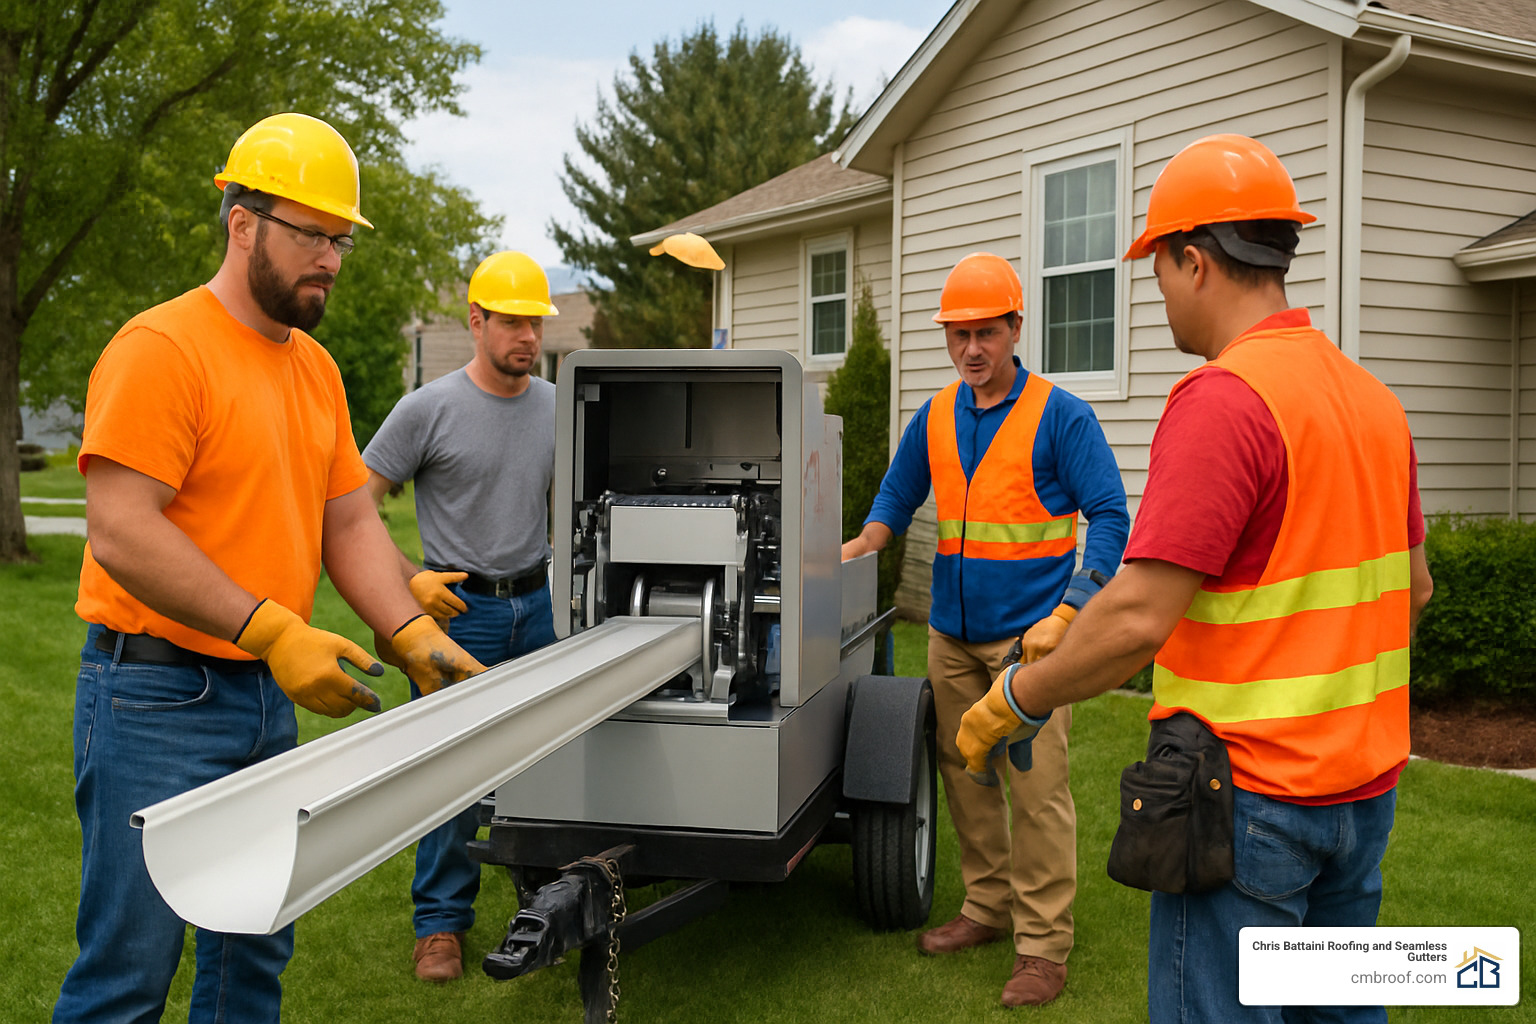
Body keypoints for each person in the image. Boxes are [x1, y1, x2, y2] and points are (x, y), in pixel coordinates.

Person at [957, 134, 1434, 1023]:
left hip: (1245, 805)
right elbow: (1411, 593)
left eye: (1161, 270)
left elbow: (1140, 614)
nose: (1161, 293)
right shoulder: (1374, 401)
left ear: (1194, 260)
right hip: (1362, 799)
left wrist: (1018, 696)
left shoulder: (1223, 400)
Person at [54, 112, 485, 1024]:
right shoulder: (162, 350)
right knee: (129, 974)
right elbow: (122, 530)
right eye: (311, 235)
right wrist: (273, 626)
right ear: (242, 222)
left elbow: (349, 524)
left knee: (248, 966)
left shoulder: (315, 370)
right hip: (153, 703)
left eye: (340, 241)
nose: (329, 258)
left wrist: (410, 635)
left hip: (262, 702)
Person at [842, 252, 1129, 1007]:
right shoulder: (935, 414)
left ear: (1015, 328)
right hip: (950, 637)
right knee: (965, 778)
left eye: (987, 332)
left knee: (1036, 793)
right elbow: (895, 498)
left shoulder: (1061, 415)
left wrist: (1069, 612)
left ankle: (1043, 946)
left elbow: (1110, 517)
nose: (973, 349)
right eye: (959, 334)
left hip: (1030, 645)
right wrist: (860, 544)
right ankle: (986, 907)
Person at [362, 250, 559, 982]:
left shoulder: (555, 405)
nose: (527, 338)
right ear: (475, 322)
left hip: (536, 608)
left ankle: (542, 903)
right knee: (450, 770)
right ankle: (440, 925)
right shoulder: (428, 408)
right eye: (512, 321)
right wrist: (407, 581)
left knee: (540, 758)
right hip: (458, 613)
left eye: (535, 323)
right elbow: (354, 503)